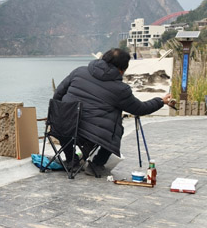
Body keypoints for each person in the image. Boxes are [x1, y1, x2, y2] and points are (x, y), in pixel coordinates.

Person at [52, 48, 171, 178]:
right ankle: (96, 164)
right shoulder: (120, 89)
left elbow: (58, 95)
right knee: (118, 129)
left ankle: (71, 160)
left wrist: (60, 114)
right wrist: (161, 101)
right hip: (92, 135)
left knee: (65, 122)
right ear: (122, 69)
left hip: (65, 129)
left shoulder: (78, 71)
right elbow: (139, 109)